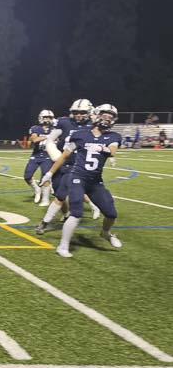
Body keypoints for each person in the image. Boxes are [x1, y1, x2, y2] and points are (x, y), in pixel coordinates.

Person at [39, 104, 123, 257]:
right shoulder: (80, 134)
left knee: (111, 214)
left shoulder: (113, 136)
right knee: (76, 211)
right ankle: (63, 247)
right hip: (77, 177)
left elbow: (112, 150)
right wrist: (50, 173)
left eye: (110, 117)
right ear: (96, 115)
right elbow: (64, 156)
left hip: (95, 181)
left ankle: (106, 233)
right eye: (105, 115)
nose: (107, 119)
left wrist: (103, 149)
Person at [36, 99, 101, 234]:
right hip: (61, 161)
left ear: (88, 112)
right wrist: (55, 155)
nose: (78, 115)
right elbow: (50, 140)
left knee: (60, 196)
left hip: (77, 165)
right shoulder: (65, 122)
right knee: (59, 192)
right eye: (76, 112)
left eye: (82, 112)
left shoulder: (92, 126)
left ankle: (44, 223)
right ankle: (73, 212)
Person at [24, 110, 54, 206]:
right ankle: (37, 189)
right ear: (41, 118)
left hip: (48, 156)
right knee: (27, 176)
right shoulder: (35, 128)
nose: (47, 119)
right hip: (36, 155)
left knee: (45, 178)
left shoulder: (55, 129)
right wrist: (48, 136)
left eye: (49, 118)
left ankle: (45, 199)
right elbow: (34, 139)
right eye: (45, 117)